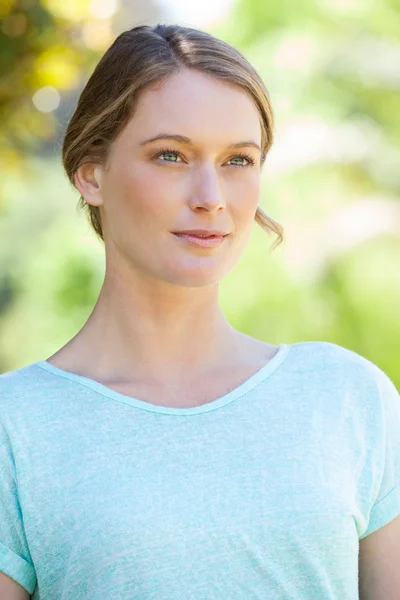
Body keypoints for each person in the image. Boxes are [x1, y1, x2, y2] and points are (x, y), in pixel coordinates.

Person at [0, 23, 399, 600]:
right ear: (92, 173)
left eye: (238, 160)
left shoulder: (349, 398)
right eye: (171, 155)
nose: (211, 195)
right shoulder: (17, 427)